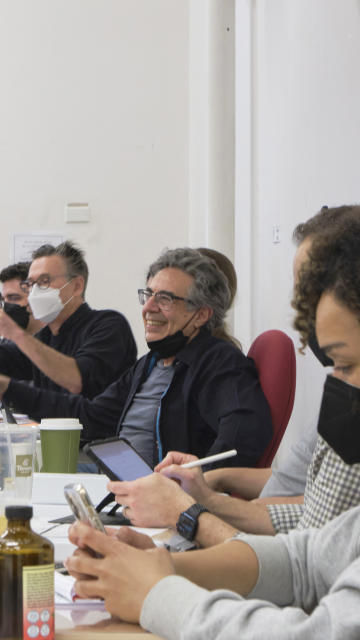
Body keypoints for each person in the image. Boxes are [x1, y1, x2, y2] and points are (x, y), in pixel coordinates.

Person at [64, 212, 360, 639]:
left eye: (346, 364)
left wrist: (160, 588)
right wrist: (163, 567)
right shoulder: (148, 363)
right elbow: (308, 558)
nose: (336, 379)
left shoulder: (218, 363)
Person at [109, 207, 360, 547]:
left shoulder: (219, 363)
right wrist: (208, 490)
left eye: (312, 292)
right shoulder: (341, 395)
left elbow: (309, 562)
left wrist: (190, 516)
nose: (300, 309)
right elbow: (307, 504)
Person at [0, 248, 272, 467]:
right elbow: (89, 416)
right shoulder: (150, 364)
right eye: (148, 295)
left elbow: (241, 439)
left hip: (155, 501)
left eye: (165, 299)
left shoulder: (218, 362)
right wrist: (5, 389)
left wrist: (193, 487)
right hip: (119, 482)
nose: (148, 308)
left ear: (201, 314)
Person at [0, 242, 137, 397]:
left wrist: (16, 333)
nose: (34, 292)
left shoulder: (109, 325)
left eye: (44, 281)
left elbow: (77, 380)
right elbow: (5, 357)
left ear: (77, 286)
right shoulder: (46, 335)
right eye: (31, 284)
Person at [0, 262, 43, 335]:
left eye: (14, 298)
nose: (6, 306)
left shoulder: (59, 342)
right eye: (3, 300)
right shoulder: (8, 341)